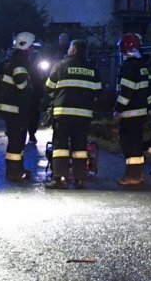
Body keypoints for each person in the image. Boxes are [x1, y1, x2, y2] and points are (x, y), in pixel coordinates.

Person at [44, 39, 101, 189]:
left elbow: (48, 88)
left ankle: (60, 179)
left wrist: (58, 97)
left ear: (73, 50)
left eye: (70, 47)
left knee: (60, 147)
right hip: (83, 115)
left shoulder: (60, 65)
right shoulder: (92, 69)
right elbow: (98, 92)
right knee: (80, 148)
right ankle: (79, 179)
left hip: (63, 113)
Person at [0, 32, 37, 181]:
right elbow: (21, 83)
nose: (33, 50)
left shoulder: (7, 60)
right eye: (32, 47)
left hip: (7, 106)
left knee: (15, 138)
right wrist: (30, 85)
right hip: (16, 107)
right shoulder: (21, 60)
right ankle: (14, 172)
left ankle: (17, 169)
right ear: (27, 47)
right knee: (17, 139)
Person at [113, 32, 151, 186]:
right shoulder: (141, 65)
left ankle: (132, 177)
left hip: (130, 113)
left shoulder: (129, 66)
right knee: (136, 144)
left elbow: (126, 92)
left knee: (130, 145)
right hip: (140, 112)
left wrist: (118, 110)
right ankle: (138, 174)